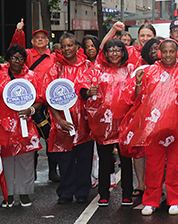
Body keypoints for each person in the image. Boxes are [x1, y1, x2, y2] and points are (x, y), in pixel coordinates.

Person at [121, 40, 178, 216]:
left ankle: (175, 200)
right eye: (165, 51)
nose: (168, 55)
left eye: (172, 51)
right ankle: (150, 201)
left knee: (176, 165)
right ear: (160, 53)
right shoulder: (150, 71)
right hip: (154, 128)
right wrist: (138, 83)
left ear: (177, 53)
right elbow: (139, 98)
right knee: (153, 166)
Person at [81, 38, 136, 207]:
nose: (114, 53)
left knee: (126, 160)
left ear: (123, 52)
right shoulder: (97, 69)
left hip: (125, 121)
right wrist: (89, 92)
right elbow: (82, 87)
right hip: (103, 122)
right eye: (110, 50)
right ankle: (103, 193)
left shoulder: (130, 69)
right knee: (105, 160)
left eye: (118, 50)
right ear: (105, 53)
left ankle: (127, 193)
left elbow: (137, 91)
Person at [0, 45, 44, 207]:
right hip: (4, 125)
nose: (17, 61)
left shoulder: (32, 77)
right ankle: (8, 194)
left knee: (25, 160)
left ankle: (24, 193)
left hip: (25, 124)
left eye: (20, 58)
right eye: (14, 58)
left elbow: (40, 99)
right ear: (8, 59)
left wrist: (30, 110)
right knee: (6, 160)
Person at [43, 33, 93, 205]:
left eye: (70, 45)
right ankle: (66, 191)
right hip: (62, 121)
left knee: (84, 158)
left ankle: (82, 191)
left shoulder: (87, 66)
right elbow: (48, 96)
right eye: (63, 46)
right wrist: (59, 120)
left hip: (84, 120)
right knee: (65, 159)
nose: (66, 49)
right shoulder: (55, 68)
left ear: (77, 47)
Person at [9, 20, 58, 182]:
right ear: (32, 41)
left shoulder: (54, 58)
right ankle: (32, 172)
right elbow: (15, 49)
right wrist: (19, 32)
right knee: (31, 137)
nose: (40, 40)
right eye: (37, 38)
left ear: (48, 41)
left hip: (49, 104)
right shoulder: (27, 55)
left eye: (43, 37)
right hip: (30, 103)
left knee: (51, 138)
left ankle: (53, 171)